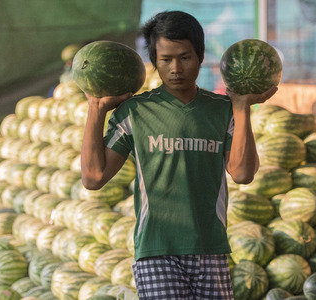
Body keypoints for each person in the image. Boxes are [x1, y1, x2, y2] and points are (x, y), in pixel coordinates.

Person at [80, 10, 278, 299]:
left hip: (211, 248)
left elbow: (243, 174)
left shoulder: (223, 110)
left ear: (200, 57)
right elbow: (93, 177)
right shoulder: (135, 112)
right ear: (154, 62)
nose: (176, 68)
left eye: (185, 57)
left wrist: (241, 106)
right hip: (156, 249)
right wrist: (96, 109)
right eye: (166, 59)